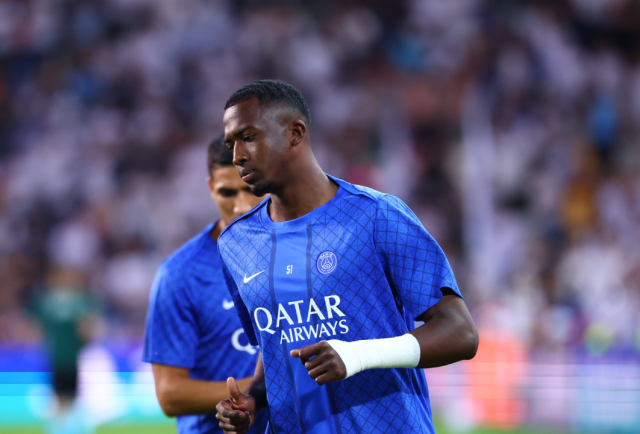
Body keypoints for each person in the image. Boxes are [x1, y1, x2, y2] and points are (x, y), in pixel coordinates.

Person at [215, 79, 479, 434]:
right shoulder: (236, 243)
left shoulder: (378, 216)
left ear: (295, 133)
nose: (237, 156)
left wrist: (357, 356)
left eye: (248, 137)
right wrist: (252, 400)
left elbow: (461, 333)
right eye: (231, 144)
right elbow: (274, 345)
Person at [142, 136, 269, 434]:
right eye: (227, 192)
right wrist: (265, 389)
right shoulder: (180, 274)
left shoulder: (299, 255)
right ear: (211, 189)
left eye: (251, 190)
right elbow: (170, 394)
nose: (241, 206)